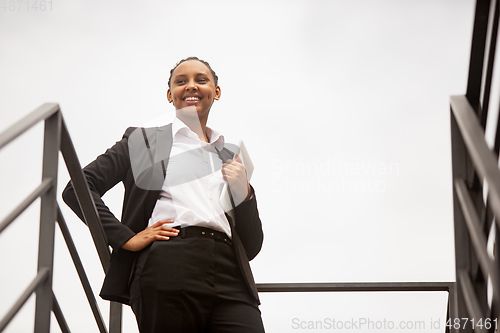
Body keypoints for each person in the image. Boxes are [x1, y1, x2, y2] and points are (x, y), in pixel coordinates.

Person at [62, 57, 265, 332]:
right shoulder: (144, 141)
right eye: (181, 81)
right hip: (168, 263)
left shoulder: (229, 155)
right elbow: (78, 187)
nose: (191, 86)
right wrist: (126, 238)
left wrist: (245, 192)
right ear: (170, 95)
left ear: (216, 91)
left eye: (201, 79)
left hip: (232, 275)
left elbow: (251, 245)